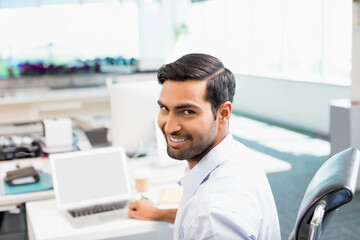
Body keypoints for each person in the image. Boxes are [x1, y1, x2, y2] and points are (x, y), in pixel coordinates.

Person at [128, 53, 281, 240]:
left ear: (223, 113)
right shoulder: (236, 155)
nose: (169, 126)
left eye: (187, 112)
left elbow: (210, 218)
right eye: (165, 109)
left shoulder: (214, 217)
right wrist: (157, 213)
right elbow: (198, 217)